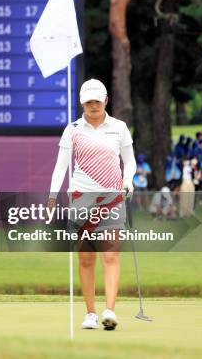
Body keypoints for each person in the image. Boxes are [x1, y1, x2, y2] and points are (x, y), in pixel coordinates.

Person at [47, 79, 136, 331]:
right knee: (86, 258)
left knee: (110, 254)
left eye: (97, 100)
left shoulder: (119, 127)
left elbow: (128, 162)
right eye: (88, 101)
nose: (93, 105)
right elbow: (61, 166)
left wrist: (128, 179)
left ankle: (109, 310)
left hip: (112, 197)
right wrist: (53, 196)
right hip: (80, 198)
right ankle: (90, 313)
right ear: (82, 103)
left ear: (106, 100)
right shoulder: (73, 129)